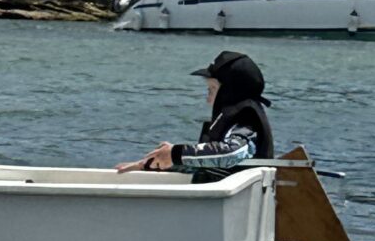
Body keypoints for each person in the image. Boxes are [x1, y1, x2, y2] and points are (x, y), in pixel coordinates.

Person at [115, 48, 276, 177]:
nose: (208, 99)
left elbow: (233, 152)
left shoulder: (246, 118)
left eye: (212, 89)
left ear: (229, 92)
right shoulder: (235, 118)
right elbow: (208, 164)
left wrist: (176, 153)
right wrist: (152, 164)